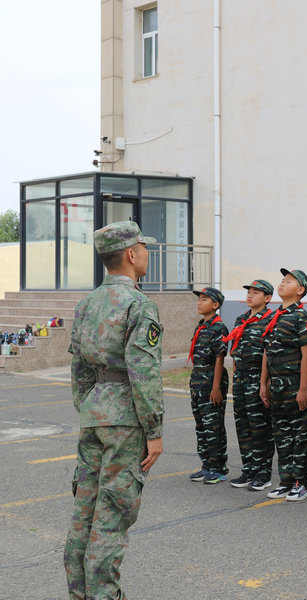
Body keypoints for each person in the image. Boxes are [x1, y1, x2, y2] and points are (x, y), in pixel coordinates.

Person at [64, 221, 164, 600]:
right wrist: (153, 431)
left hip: (94, 414)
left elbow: (79, 370)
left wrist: (91, 408)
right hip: (125, 420)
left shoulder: (87, 304)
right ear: (131, 254)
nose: (147, 253)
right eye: (144, 247)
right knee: (112, 516)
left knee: (84, 514)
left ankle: (79, 594)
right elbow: (144, 372)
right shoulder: (139, 305)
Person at [260, 269, 307, 502]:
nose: (282, 283)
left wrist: (303, 389)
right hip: (276, 387)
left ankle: (302, 484)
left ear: (300, 290)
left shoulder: (303, 318)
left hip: (295, 386)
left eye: (289, 281)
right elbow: (267, 351)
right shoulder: (274, 317)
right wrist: (263, 383)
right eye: (282, 280)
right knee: (282, 435)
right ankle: (285, 482)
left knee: (299, 436)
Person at [226, 279, 275, 490]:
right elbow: (235, 350)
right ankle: (248, 469)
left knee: (260, 427)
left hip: (258, 377)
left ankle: (263, 473)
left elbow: (269, 354)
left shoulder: (271, 319)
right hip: (241, 378)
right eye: (249, 292)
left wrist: (265, 383)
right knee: (243, 425)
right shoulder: (241, 319)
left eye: (256, 293)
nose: (250, 295)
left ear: (267, 298)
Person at [188, 286, 230, 484]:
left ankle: (218, 468)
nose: (199, 303)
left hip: (211, 382)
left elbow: (219, 359)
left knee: (214, 427)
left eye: (204, 300)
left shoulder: (218, 328)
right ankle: (206, 466)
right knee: (201, 427)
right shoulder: (202, 325)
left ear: (215, 305)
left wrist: (216, 387)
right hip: (198, 382)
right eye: (199, 299)